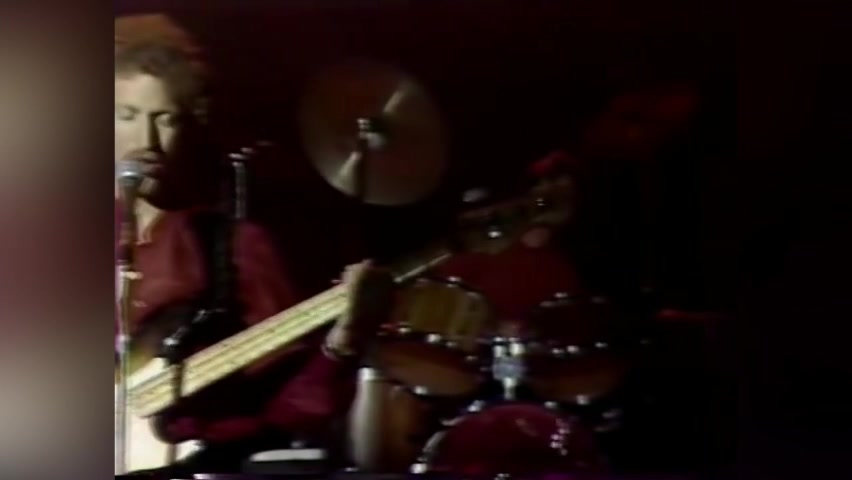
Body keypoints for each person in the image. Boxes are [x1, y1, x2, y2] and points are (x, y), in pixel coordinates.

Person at [114, 14, 393, 474]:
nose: (146, 141)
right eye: (125, 116)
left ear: (190, 125)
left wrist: (345, 341)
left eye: (165, 119)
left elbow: (289, 408)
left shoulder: (232, 247)